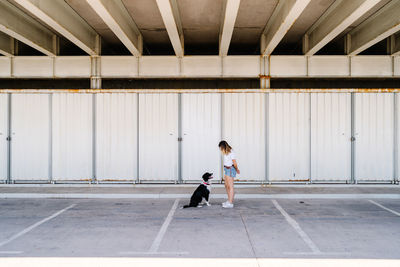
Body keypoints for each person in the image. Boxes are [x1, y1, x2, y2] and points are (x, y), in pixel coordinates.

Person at [218, 140, 240, 208]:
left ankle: (230, 203)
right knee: (226, 186)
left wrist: (237, 169)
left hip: (230, 169)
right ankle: (229, 200)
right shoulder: (226, 152)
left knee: (230, 186)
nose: (220, 150)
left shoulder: (231, 152)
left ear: (223, 147)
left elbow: (234, 162)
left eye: (221, 148)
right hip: (226, 169)